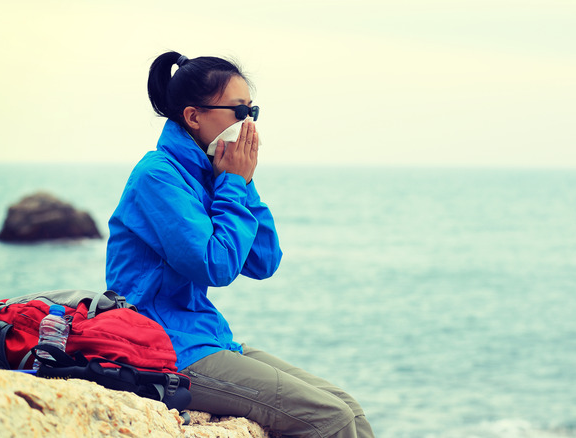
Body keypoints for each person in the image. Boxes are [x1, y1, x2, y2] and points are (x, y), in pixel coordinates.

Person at [105, 51, 374, 438]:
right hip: (164, 348)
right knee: (327, 418)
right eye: (237, 112)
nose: (247, 124)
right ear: (193, 116)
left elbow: (264, 261)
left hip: (207, 336)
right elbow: (215, 265)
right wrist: (233, 182)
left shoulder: (211, 172)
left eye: (252, 112)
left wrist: (242, 181)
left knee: (349, 409)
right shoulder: (157, 177)